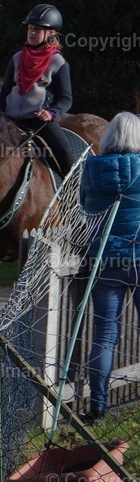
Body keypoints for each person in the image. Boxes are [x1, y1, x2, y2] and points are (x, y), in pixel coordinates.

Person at [79, 112, 140, 422]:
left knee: (104, 335)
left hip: (106, 261)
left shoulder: (91, 167)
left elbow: (85, 206)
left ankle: (97, 405)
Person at [0, 4, 74, 175]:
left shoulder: (58, 62)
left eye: (37, 29)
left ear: (50, 33)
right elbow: (5, 91)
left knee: (66, 153)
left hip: (38, 121)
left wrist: (51, 113)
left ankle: (72, 194)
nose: (31, 32)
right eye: (30, 28)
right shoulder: (17, 58)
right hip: (10, 119)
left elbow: (66, 98)